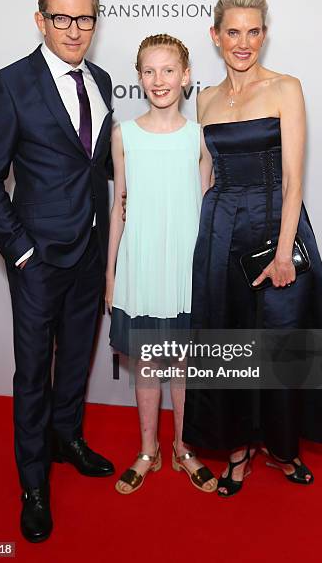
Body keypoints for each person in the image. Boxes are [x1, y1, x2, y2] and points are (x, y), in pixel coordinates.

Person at [182, 0, 322, 497]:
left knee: (280, 342)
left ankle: (281, 446)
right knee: (228, 340)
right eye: (233, 31)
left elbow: (295, 179)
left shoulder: (285, 88)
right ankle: (236, 451)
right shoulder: (206, 99)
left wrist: (284, 253)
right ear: (215, 35)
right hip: (221, 229)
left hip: (276, 224)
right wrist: (201, 243)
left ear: (264, 35)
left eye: (253, 32)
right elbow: (205, 175)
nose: (243, 42)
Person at [0, 0, 114, 542]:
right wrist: (20, 250)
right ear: (40, 20)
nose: (74, 30)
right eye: (62, 18)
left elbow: (96, 167)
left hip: (90, 251)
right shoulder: (9, 85)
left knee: (77, 355)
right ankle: (33, 483)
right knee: (33, 372)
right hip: (37, 258)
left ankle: (68, 437)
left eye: (84, 18)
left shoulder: (101, 79)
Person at [105, 34, 217, 495]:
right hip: (141, 266)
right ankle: (148, 449)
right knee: (150, 364)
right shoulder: (123, 135)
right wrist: (111, 275)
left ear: (186, 76)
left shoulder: (200, 137)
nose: (159, 80)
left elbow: (207, 205)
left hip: (187, 268)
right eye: (148, 71)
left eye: (168, 70)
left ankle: (184, 448)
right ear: (139, 79)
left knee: (185, 367)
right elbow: (118, 208)